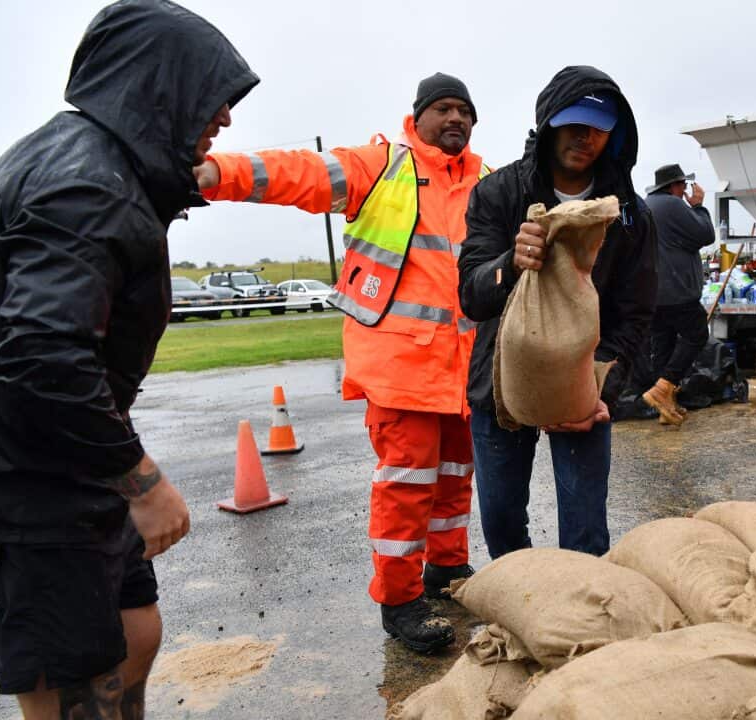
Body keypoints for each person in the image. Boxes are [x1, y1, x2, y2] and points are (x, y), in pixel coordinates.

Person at [0, 1, 256, 716]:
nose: (225, 117)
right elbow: (41, 353)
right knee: (77, 667)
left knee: (133, 629)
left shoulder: (100, 169)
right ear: (157, 88)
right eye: (212, 94)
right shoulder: (86, 186)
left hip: (70, 467)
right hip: (34, 479)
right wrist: (140, 481)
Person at [194, 73, 491, 654]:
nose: (455, 119)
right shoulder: (381, 165)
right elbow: (299, 173)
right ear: (419, 117)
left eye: (465, 111)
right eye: (443, 109)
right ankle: (400, 600)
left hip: (463, 373)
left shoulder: (487, 182)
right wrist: (213, 174)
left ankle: (448, 571)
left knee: (456, 480)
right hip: (400, 369)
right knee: (407, 486)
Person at [459, 66, 657, 559]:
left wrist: (600, 387)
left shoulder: (628, 213)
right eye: (573, 123)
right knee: (502, 523)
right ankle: (526, 608)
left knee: (586, 530)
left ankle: (582, 625)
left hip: (583, 389)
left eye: (597, 126)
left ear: (614, 133)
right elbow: (471, 294)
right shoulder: (499, 192)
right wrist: (510, 263)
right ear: (548, 121)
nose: (584, 137)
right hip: (502, 385)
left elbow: (635, 313)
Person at [642, 163, 714, 426]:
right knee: (697, 333)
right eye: (682, 185)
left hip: (652, 292)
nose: (685, 190)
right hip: (676, 290)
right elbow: (706, 234)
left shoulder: (647, 204)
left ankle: (666, 408)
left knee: (663, 345)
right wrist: (698, 206)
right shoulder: (672, 206)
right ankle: (664, 388)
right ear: (673, 186)